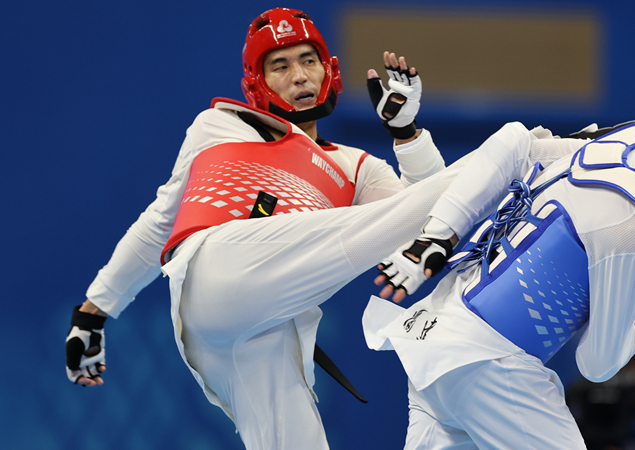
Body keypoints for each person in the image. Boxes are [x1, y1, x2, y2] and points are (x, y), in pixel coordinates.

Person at [63, 7, 468, 450]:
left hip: (267, 321)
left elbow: (430, 225)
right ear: (256, 83)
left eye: (309, 61)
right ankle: (517, 148)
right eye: (281, 66)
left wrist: (407, 134)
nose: (300, 76)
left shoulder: (357, 167)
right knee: (459, 183)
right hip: (213, 272)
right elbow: (159, 224)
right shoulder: (218, 125)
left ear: (329, 70)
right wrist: (92, 314)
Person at [364, 95, 635, 449]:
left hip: (435, 332)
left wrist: (438, 235)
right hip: (490, 363)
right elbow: (598, 364)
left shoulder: (634, 137)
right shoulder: (633, 229)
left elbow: (515, 143)